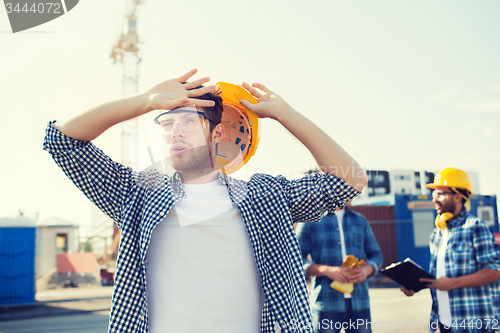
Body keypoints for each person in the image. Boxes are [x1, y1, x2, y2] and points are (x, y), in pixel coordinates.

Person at [43, 69, 368, 333]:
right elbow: (61, 141)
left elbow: (351, 180)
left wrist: (283, 113)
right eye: (168, 123)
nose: (175, 132)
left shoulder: (265, 197)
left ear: (216, 135)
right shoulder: (136, 195)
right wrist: (145, 101)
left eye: (189, 122)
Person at [400, 167, 500, 333]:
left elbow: (496, 270)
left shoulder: (475, 227)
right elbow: (440, 278)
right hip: (443, 322)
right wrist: (415, 285)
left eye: (440, 193)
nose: (434, 199)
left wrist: (453, 283)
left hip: (472, 322)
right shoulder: (437, 234)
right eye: (434, 194)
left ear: (458, 196)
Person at [296, 202, 383, 333]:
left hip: (360, 302)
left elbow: (376, 255)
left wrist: (366, 270)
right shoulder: (309, 221)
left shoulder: (360, 221)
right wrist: (327, 270)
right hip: (326, 303)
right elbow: (294, 260)